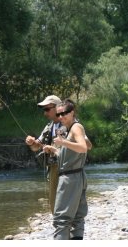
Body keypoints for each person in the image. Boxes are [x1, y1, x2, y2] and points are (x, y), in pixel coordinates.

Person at [42, 99, 89, 240]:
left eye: (64, 113)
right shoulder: (70, 129)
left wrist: (63, 142)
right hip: (77, 176)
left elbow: (83, 148)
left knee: (61, 219)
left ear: (72, 112)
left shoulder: (75, 127)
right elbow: (75, 151)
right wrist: (55, 150)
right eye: (59, 114)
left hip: (70, 179)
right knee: (77, 217)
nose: (61, 117)